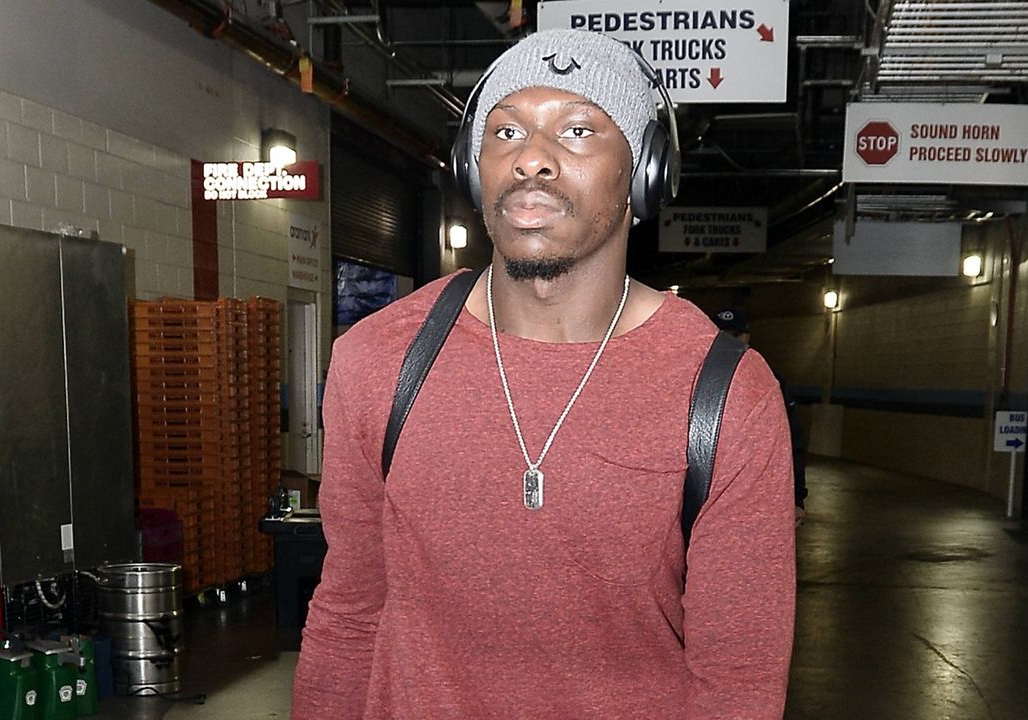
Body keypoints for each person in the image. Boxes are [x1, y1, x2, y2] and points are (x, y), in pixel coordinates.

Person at [293, 29, 795, 720]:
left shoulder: (724, 393)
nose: (532, 158)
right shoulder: (378, 361)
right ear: (475, 168)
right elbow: (348, 617)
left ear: (643, 174)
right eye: (506, 131)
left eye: (579, 129)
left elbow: (738, 677)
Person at [712, 307, 809, 526]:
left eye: (735, 335)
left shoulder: (770, 381)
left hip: (759, 496)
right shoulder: (695, 382)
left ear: (747, 336)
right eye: (721, 335)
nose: (729, 343)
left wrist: (796, 497)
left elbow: (792, 440)